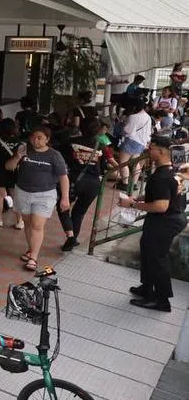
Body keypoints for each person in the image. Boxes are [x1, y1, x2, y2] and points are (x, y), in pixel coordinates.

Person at [121, 136, 185, 312]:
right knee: (147, 251)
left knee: (157, 258)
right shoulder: (169, 170)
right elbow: (160, 195)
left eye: (152, 148)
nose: (148, 150)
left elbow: (161, 205)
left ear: (162, 151)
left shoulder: (163, 176)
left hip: (165, 220)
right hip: (163, 219)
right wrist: (138, 198)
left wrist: (133, 205)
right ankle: (147, 288)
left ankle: (161, 300)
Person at [6, 125, 69, 272]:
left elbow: (63, 177)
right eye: (33, 137)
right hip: (23, 192)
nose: (35, 140)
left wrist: (64, 198)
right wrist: (17, 157)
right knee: (28, 223)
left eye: (40, 138)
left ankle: (34, 257)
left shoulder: (54, 155)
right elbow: (9, 167)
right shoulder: (24, 151)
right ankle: (30, 249)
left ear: (47, 139)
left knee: (37, 225)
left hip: (45, 195)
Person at [61, 117, 116, 251]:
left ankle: (71, 236)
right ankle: (72, 239)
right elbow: (103, 166)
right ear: (98, 131)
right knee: (79, 212)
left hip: (74, 181)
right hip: (93, 184)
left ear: (80, 127)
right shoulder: (100, 146)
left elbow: (62, 159)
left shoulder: (70, 142)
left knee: (62, 207)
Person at [118, 99, 153, 189]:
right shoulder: (148, 117)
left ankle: (124, 183)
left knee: (123, 162)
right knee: (135, 163)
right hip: (141, 143)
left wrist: (123, 126)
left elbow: (128, 130)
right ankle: (133, 184)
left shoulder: (133, 117)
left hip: (131, 141)